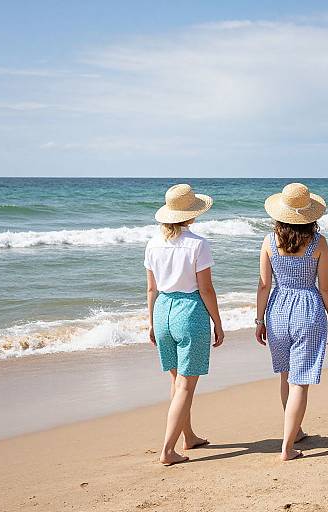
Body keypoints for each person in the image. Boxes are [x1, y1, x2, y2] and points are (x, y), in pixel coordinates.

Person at [255, 183, 328, 461]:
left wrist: (259, 320)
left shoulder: (269, 241)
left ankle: (296, 430)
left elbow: (264, 285)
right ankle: (288, 447)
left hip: (277, 310)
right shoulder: (318, 243)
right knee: (299, 381)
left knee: (285, 375)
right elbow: (325, 286)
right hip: (308, 310)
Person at [144, 184, 224, 466]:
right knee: (186, 386)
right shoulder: (197, 244)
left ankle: (187, 436)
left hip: (163, 310)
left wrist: (151, 321)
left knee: (177, 382)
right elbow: (206, 290)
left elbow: (151, 289)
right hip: (189, 312)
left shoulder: (153, 243)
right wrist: (218, 322)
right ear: (191, 214)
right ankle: (167, 450)